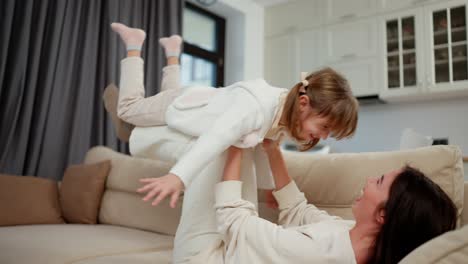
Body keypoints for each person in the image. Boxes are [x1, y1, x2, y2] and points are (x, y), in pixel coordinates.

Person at [107, 22, 358, 263]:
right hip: (183, 105)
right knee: (129, 110)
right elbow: (215, 140)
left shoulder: (283, 114)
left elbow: (263, 147)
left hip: (192, 110)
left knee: (159, 102)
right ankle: (133, 44)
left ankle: (173, 52)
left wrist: (269, 188)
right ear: (304, 105)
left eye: (330, 134)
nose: (323, 137)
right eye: (325, 128)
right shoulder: (255, 107)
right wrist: (178, 177)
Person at [189, 141, 457, 264]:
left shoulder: (321, 254)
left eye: (378, 182)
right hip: (228, 241)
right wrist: (272, 150)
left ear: (384, 215)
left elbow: (235, 222)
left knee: (209, 152)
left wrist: (234, 143)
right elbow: (298, 210)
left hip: (206, 256)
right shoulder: (353, 238)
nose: (368, 180)